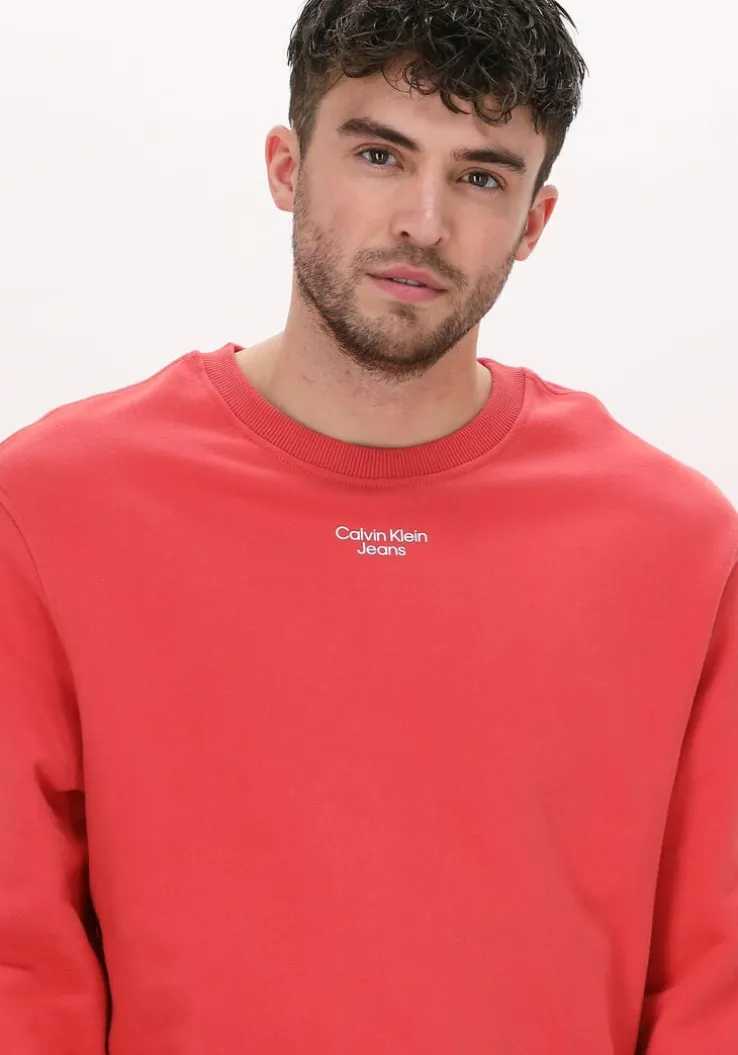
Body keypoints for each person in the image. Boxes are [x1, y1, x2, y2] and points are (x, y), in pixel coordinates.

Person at [1, 0, 736, 1051]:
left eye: (480, 176)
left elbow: (718, 979)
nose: (424, 223)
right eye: (381, 154)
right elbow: (19, 965)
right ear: (286, 167)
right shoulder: (52, 507)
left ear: (534, 222)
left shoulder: (677, 548)